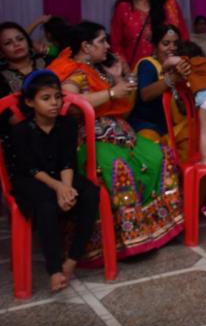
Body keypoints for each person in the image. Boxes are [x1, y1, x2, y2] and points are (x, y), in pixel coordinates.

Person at [49, 21, 184, 261]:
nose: (108, 45)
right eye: (102, 41)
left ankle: (158, 228)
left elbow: (126, 99)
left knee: (159, 155)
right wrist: (110, 92)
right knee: (118, 168)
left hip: (121, 134)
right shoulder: (73, 71)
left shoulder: (99, 68)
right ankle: (125, 241)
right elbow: (69, 102)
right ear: (86, 46)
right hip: (90, 139)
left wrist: (120, 77)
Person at [7, 70, 99, 292]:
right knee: (46, 205)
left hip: (60, 175)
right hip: (31, 179)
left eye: (57, 97)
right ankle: (54, 269)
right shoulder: (20, 132)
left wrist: (66, 188)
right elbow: (30, 168)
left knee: (90, 193)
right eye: (46, 98)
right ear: (30, 102)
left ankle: (73, 258)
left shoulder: (66, 125)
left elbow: (68, 161)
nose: (54, 103)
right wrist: (58, 187)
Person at [127, 25, 192, 160]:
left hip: (172, 127)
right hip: (147, 125)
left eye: (175, 43)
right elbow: (145, 95)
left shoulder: (180, 65)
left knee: (196, 135)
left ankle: (188, 179)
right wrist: (172, 79)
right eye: (166, 43)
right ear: (155, 46)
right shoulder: (148, 64)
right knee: (153, 153)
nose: (172, 48)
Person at [111, 0, 189, 67]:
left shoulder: (170, 5)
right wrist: (126, 70)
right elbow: (116, 44)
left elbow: (183, 38)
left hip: (169, 71)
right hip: (136, 72)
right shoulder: (123, 8)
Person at [0, 22, 48, 139]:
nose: (16, 44)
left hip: (58, 127)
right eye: (8, 43)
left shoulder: (48, 63)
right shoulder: (1, 77)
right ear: (1, 51)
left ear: (28, 41)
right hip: (22, 137)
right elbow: (9, 117)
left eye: (20, 39)